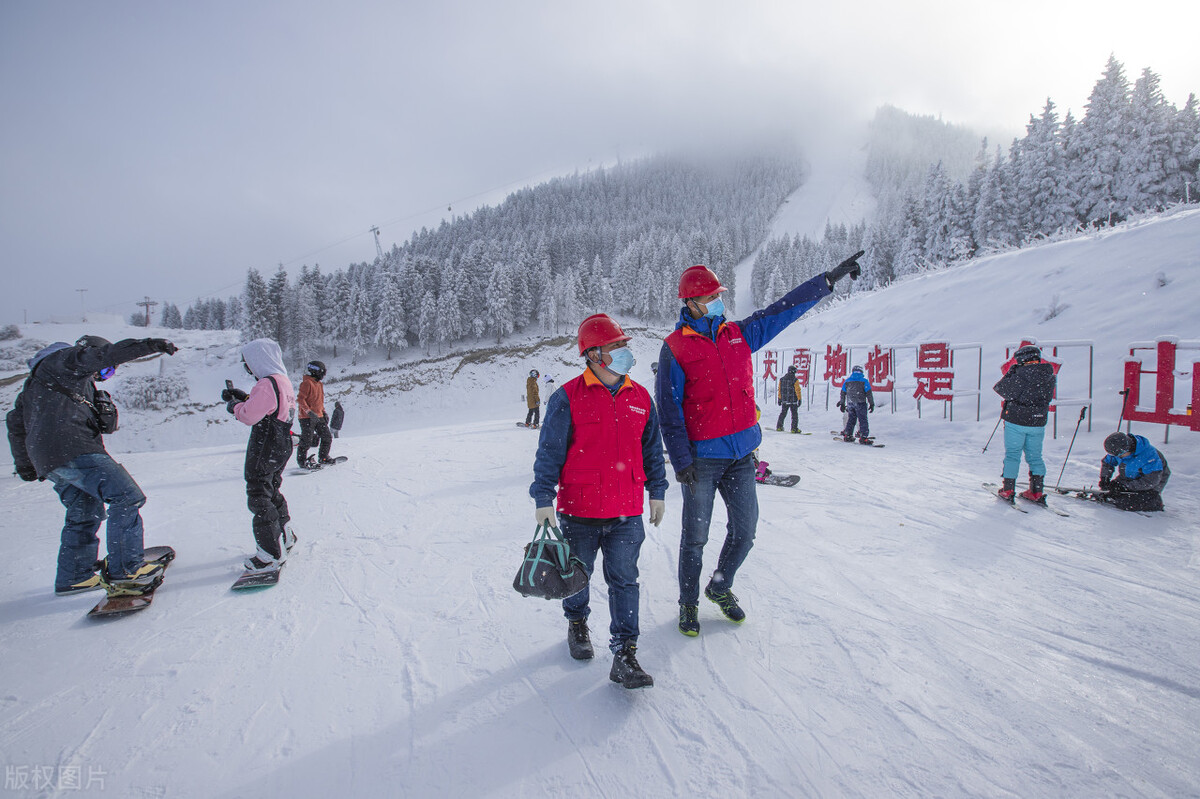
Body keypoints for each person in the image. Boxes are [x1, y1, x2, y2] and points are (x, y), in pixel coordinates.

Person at [657, 252, 864, 636]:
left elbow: (781, 310)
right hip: (702, 461)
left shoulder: (737, 334)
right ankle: (688, 604)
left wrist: (826, 282)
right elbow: (668, 408)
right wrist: (680, 459)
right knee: (695, 537)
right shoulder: (675, 348)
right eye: (710, 296)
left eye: (719, 294)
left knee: (746, 530)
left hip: (741, 456)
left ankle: (720, 586)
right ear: (691, 303)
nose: (718, 301)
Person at [530, 313, 669, 689]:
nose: (625, 352)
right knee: (578, 577)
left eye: (625, 345)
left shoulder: (641, 398)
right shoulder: (567, 397)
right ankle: (577, 622)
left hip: (627, 512)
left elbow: (652, 451)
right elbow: (549, 453)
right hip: (580, 512)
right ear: (593, 354)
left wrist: (657, 490)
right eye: (616, 347)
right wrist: (544, 497)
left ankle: (625, 652)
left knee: (625, 580)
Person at [6, 334, 179, 595]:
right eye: (104, 370)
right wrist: (148, 346)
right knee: (126, 497)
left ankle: (76, 575)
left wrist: (27, 464)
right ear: (88, 356)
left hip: (51, 458)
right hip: (73, 448)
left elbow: (15, 422)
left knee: (85, 511)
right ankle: (126, 571)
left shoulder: (38, 383)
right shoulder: (63, 361)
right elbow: (103, 355)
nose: (102, 376)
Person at [222, 339, 297, 573]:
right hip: (282, 441)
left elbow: (249, 416)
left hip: (266, 443)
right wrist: (244, 397)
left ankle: (270, 554)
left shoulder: (266, 383)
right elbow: (269, 406)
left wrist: (234, 406)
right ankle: (285, 535)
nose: (248, 368)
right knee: (271, 488)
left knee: (258, 492)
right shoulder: (283, 381)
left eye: (248, 363)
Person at [992, 344, 1056, 502]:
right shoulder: (1049, 374)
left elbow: (1001, 389)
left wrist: (1012, 372)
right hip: (1038, 421)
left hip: (1016, 420)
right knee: (1035, 457)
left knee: (1013, 455)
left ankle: (1008, 489)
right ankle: (1036, 491)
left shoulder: (1020, 374)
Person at [1098, 432, 1170, 511]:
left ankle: (1155, 502)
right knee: (1113, 492)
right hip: (1128, 477)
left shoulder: (1148, 455)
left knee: (1127, 503)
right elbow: (1108, 462)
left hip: (1150, 485)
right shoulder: (1120, 450)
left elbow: (1151, 481)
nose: (1118, 457)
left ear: (1126, 449)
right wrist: (1105, 478)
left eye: (1119, 455)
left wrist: (1125, 486)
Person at [296, 360, 335, 468]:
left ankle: (323, 457)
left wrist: (324, 412)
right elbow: (300, 399)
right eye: (323, 372)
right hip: (306, 417)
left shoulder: (319, 384)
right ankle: (302, 461)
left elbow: (319, 401)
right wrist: (309, 411)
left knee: (327, 437)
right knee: (307, 440)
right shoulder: (307, 383)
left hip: (319, 415)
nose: (324, 375)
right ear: (316, 371)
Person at [838, 365, 875, 442]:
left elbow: (843, 392)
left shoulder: (847, 381)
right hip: (860, 403)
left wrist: (842, 403)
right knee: (863, 420)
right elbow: (869, 393)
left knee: (851, 419)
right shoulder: (864, 381)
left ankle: (848, 435)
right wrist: (871, 404)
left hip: (850, 403)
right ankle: (863, 437)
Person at [776, 365, 802, 433]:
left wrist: (779, 398)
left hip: (784, 400)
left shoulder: (782, 379)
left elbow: (780, 390)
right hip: (793, 401)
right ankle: (794, 428)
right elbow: (797, 390)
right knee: (794, 415)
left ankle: (779, 426)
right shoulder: (795, 380)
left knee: (783, 414)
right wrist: (799, 399)